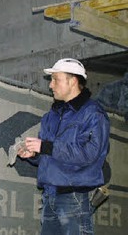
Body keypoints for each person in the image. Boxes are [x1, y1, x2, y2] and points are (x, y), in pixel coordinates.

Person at [18, 58, 109, 235]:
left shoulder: (93, 114)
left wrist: (46, 147)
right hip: (50, 195)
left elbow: (90, 153)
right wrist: (35, 154)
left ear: (72, 81)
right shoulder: (51, 115)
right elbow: (49, 152)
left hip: (74, 197)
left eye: (55, 79)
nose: (51, 85)